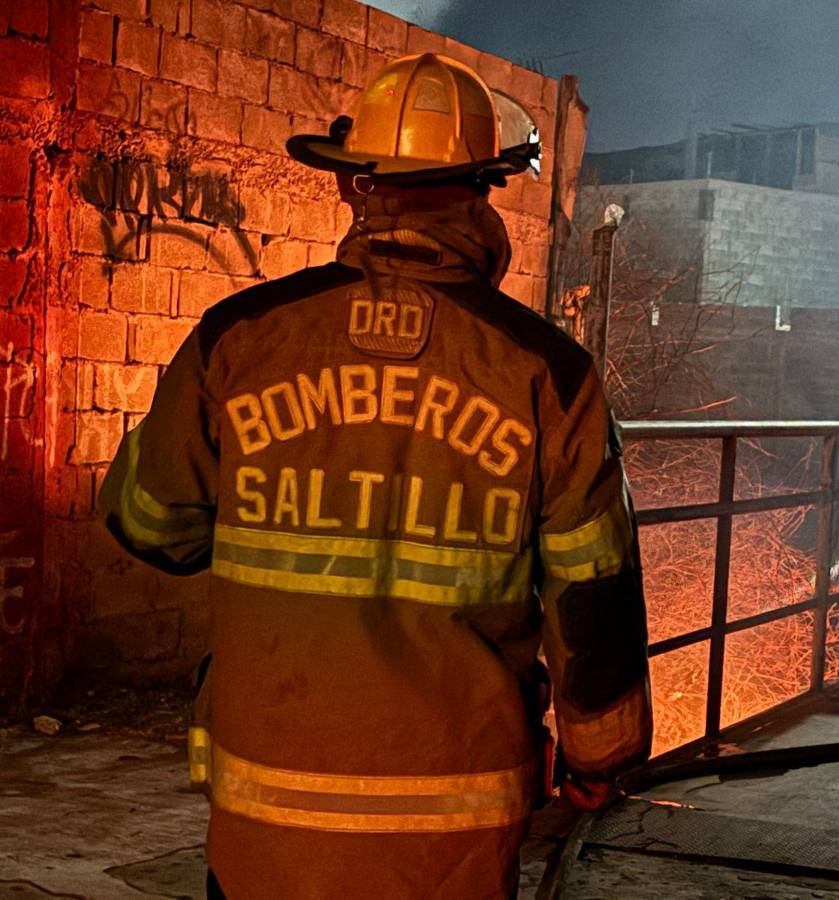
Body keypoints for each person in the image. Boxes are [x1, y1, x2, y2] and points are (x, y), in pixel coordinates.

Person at [99, 53, 652, 899]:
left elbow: (148, 523)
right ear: (483, 189)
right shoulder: (551, 375)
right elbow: (596, 594)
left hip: (264, 822)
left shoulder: (238, 340)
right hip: (454, 833)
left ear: (354, 186)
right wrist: (600, 758)